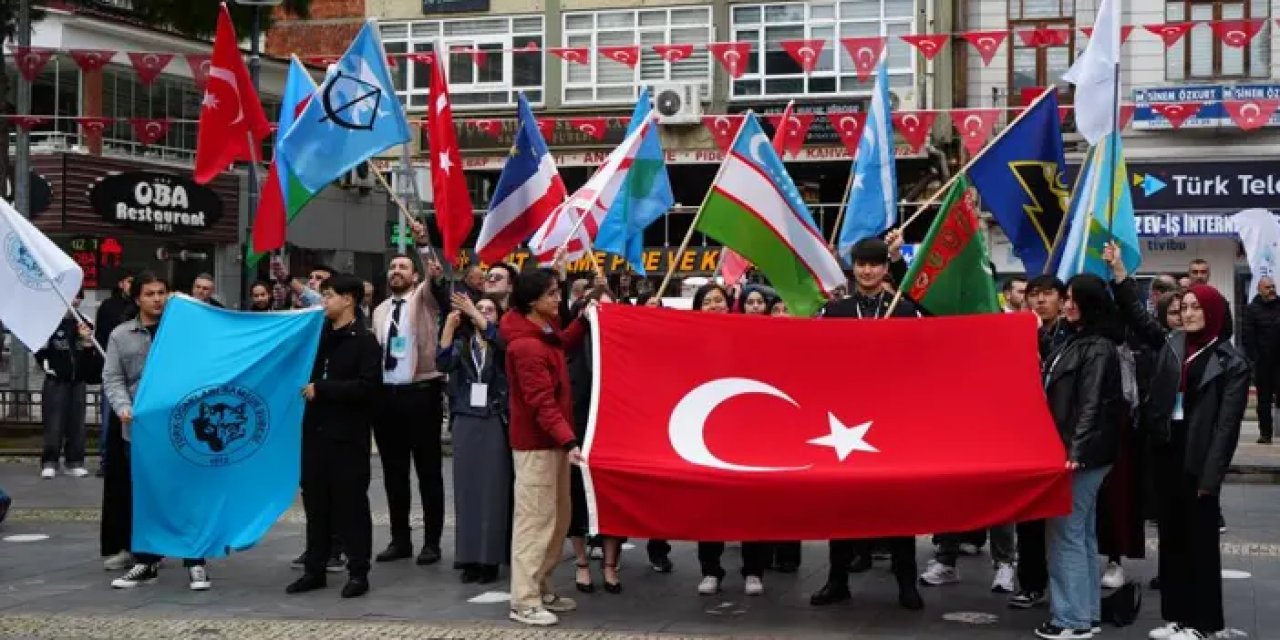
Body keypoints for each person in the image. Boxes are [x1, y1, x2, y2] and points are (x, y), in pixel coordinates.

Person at [1106, 246, 1249, 640]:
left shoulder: (1230, 361)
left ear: (1214, 313)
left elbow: (1226, 427)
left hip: (1199, 458)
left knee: (1199, 547)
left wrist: (1211, 476)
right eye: (1183, 307)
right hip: (1167, 451)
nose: (1188, 313)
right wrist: (1119, 273)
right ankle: (1179, 618)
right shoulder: (1173, 345)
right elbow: (1139, 317)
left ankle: (1205, 624)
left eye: (1196, 307)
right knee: (1170, 540)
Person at [810, 234, 924, 612]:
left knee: (899, 504)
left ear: (885, 268)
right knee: (840, 503)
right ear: (853, 268)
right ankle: (836, 580)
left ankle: (907, 582)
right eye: (861, 264)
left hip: (895, 421)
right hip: (845, 421)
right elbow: (813, 358)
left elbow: (927, 343)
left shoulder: (904, 311)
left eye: (875, 264)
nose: (868, 270)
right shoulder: (835, 311)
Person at [104, 273, 211, 591]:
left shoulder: (184, 332)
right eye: (149, 293)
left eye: (161, 293)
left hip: (181, 427)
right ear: (137, 298)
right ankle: (146, 561)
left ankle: (195, 561)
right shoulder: (121, 335)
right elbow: (113, 378)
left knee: (187, 493)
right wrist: (123, 406)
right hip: (139, 429)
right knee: (144, 496)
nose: (156, 299)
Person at [1035, 274, 1124, 640]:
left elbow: (1092, 403)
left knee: (1066, 535)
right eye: (1067, 298)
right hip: (1079, 451)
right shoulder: (1076, 341)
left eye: (1074, 299)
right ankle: (1086, 615)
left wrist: (1075, 451)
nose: (1067, 304)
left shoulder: (1098, 347)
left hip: (1079, 455)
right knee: (1081, 534)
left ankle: (1069, 620)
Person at [501, 268, 586, 627]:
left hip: (552, 442)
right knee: (535, 521)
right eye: (552, 293)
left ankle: (541, 585)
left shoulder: (542, 333)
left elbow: (561, 344)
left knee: (557, 518)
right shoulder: (526, 345)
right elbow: (541, 401)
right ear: (533, 300)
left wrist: (583, 321)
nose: (557, 299)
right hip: (538, 445)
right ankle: (524, 599)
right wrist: (568, 439)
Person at [287, 274, 379, 599]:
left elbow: (369, 388)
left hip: (347, 437)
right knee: (316, 505)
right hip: (315, 434)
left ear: (348, 299)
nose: (324, 302)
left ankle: (358, 571)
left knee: (351, 507)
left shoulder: (364, 341)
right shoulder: (318, 335)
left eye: (329, 296)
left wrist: (323, 390)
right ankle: (315, 568)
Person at [371, 219, 451, 566]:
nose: (396, 272)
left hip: (422, 392)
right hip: (389, 397)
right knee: (393, 472)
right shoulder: (380, 311)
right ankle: (399, 538)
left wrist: (423, 246)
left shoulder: (423, 300)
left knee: (428, 470)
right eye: (392, 267)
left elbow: (437, 280)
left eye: (403, 267)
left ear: (413, 276)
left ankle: (431, 541)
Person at [438, 292, 510, 585]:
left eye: (489, 309)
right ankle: (468, 557)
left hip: (493, 417)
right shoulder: (462, 343)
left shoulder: (499, 343)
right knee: (467, 490)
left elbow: (505, 347)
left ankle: (490, 558)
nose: (482, 312)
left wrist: (480, 318)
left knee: (493, 491)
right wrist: (448, 329)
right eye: (478, 308)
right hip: (466, 417)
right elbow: (442, 364)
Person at [1009, 275, 1067, 610]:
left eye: (1047, 294)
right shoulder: (1020, 330)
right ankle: (1031, 584)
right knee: (1029, 517)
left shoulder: (1071, 334)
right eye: (1034, 295)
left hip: (1060, 433)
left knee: (1062, 521)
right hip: (1026, 434)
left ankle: (1066, 584)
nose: (1040, 300)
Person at [565, 286, 624, 595]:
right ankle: (582, 563)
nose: (600, 311)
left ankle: (611, 564)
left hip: (614, 429)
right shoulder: (572, 342)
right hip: (578, 426)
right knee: (576, 494)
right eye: (594, 306)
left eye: (606, 306)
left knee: (612, 495)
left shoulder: (623, 343)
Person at [35, 290, 99, 479]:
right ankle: (49, 462)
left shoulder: (85, 321)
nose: (75, 301)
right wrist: (47, 367)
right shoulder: (50, 321)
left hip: (78, 380)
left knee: (77, 424)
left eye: (78, 297)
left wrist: (86, 341)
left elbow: (90, 350)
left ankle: (74, 462)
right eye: (72, 296)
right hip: (56, 380)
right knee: (54, 423)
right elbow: (39, 348)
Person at [94, 272, 136, 477]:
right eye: (129, 281)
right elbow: (101, 334)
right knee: (111, 416)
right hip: (115, 368)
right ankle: (106, 459)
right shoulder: (109, 306)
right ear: (121, 283)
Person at [1243, 276, 1280, 444]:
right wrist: (1254, 359)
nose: (1271, 289)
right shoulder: (1252, 310)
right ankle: (1266, 434)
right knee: (1264, 401)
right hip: (1263, 363)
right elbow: (1248, 337)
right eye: (1267, 287)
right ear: (1259, 290)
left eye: (1273, 286)